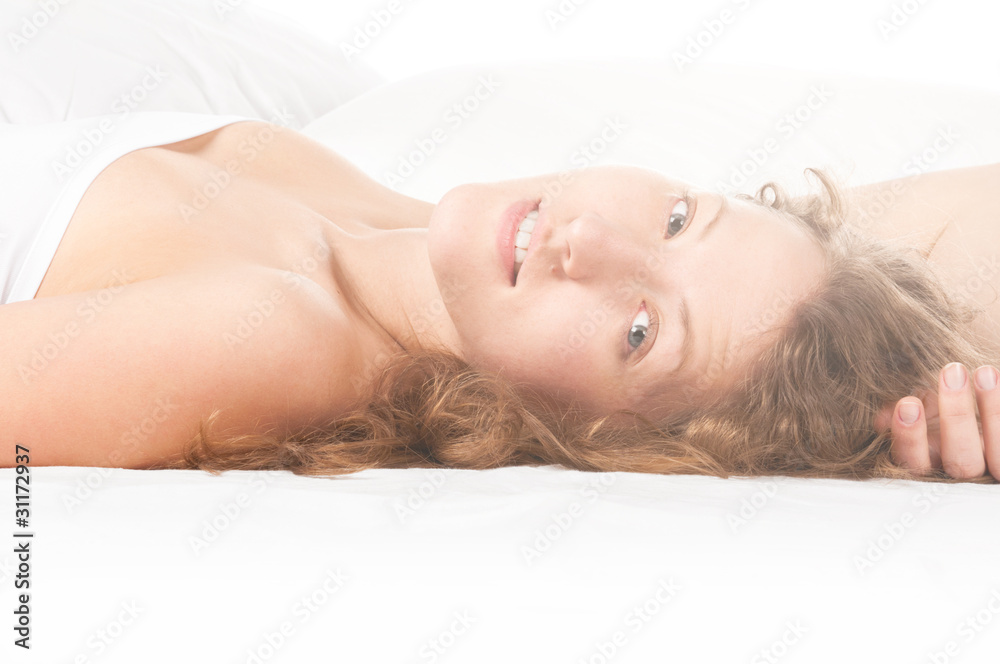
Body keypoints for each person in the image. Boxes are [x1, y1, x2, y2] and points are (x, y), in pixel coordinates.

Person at [2, 115, 997, 483]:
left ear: (605, 438)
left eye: (639, 332)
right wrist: (934, 366)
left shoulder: (277, 334)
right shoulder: (408, 237)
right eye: (678, 217)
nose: (590, 241)